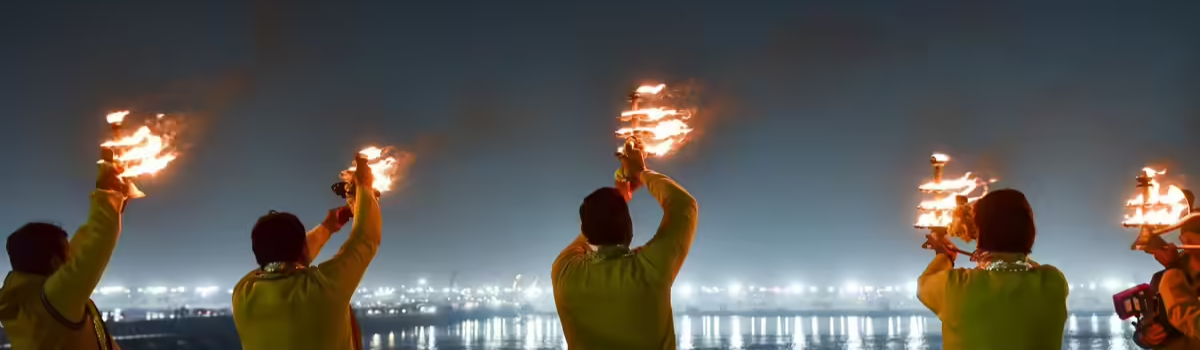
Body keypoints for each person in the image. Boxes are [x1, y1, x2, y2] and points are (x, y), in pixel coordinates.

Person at [552, 140, 699, 350]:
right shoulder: (649, 270)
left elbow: (592, 230)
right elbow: (685, 206)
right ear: (630, 228)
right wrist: (641, 172)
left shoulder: (564, 272)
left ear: (584, 231)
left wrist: (620, 197)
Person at [232, 154, 381, 350]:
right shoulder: (323, 289)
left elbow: (284, 258)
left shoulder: (243, 293)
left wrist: (328, 226)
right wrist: (364, 186)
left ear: (256, 253)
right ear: (302, 250)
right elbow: (366, 238)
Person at [0, 155, 131, 350]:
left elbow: (85, 245)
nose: (72, 257)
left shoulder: (31, 300)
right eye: (66, 252)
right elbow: (97, 241)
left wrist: (115, 206)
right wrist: (107, 193)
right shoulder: (53, 299)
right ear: (54, 262)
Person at [918, 189, 1069, 350]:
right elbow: (1019, 262)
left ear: (981, 234)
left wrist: (945, 256)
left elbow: (924, 284)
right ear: (1030, 232)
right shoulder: (1053, 284)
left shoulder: (956, 288)